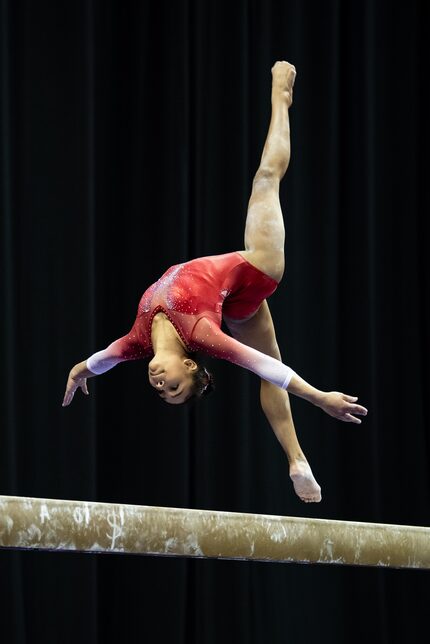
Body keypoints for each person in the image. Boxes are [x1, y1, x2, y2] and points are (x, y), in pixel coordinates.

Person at [63, 61, 367, 503]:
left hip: (233, 300)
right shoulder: (199, 334)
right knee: (266, 179)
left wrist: (77, 373)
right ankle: (281, 99)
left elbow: (101, 360)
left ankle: (298, 461)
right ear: (189, 367)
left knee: (268, 355)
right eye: (174, 387)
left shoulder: (137, 341)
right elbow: (268, 369)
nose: (159, 384)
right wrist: (320, 398)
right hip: (258, 270)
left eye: (161, 392)